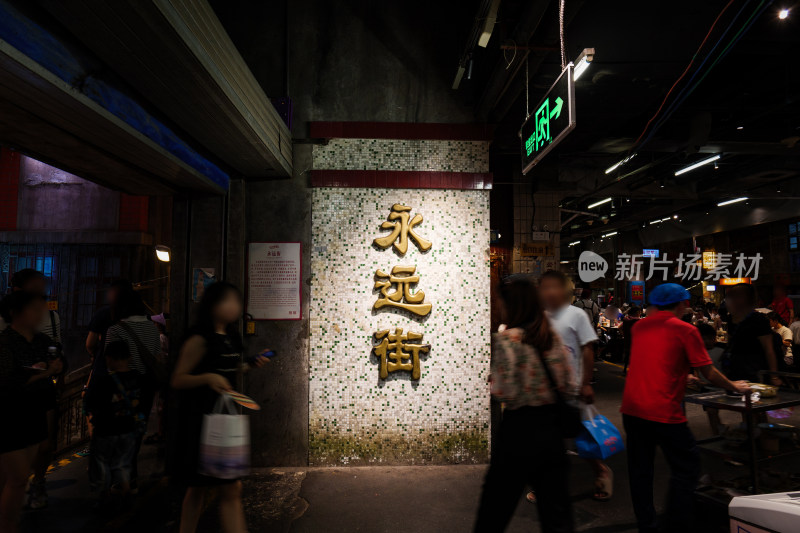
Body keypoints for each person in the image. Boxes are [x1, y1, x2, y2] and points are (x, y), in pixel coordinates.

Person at [622, 283, 751, 533]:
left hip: (632, 409)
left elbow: (654, 363)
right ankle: (676, 523)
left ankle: (647, 525)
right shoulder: (685, 329)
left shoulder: (639, 327)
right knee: (688, 466)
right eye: (686, 302)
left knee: (640, 473)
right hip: (663, 410)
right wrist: (734, 386)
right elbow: (709, 371)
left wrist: (681, 377)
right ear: (681, 304)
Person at [474, 275, 574, 533]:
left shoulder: (507, 340)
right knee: (556, 514)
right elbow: (568, 384)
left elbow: (502, 393)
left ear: (511, 305)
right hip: (551, 432)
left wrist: (495, 379)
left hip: (518, 431)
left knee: (494, 509)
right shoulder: (551, 337)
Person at [171, 282, 270, 533]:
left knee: (206, 488)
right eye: (227, 301)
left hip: (223, 422)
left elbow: (229, 370)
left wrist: (250, 364)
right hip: (200, 422)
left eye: (237, 302)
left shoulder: (230, 337)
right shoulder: (199, 338)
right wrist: (207, 378)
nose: (234, 307)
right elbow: (177, 379)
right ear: (212, 305)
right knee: (217, 488)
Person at [532, 270, 611, 502]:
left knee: (581, 438)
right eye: (544, 287)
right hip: (544, 390)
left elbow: (588, 348)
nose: (549, 292)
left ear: (564, 290)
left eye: (553, 287)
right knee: (545, 440)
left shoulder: (576, 315)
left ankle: (601, 471)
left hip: (572, 388)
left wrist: (586, 383)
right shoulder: (538, 316)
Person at [0, 269, 64, 510]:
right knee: (14, 465)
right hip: (13, 403)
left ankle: (36, 483)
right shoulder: (7, 329)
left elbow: (57, 348)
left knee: (43, 445)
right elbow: (9, 377)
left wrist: (56, 368)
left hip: (42, 394)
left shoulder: (49, 320)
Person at [101, 289, 161, 493]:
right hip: (146, 387)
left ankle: (123, 478)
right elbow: (156, 357)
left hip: (121, 388)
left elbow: (109, 363)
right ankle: (130, 476)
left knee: (118, 433)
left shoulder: (115, 330)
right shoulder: (152, 329)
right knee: (137, 431)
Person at [83, 340, 144, 509]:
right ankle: (126, 494)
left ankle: (105, 499)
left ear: (108, 358)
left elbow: (92, 406)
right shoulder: (138, 378)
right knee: (123, 464)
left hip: (106, 431)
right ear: (130, 357)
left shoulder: (104, 381)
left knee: (102, 465)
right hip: (129, 430)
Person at [723, 283, 781, 386]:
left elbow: (769, 350)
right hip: (734, 370)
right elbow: (730, 343)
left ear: (748, 299)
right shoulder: (730, 318)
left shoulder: (758, 319)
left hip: (753, 370)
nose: (733, 299)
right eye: (732, 296)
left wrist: (774, 376)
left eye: (738, 295)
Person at [86, 279, 133, 362]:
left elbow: (90, 344)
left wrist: (94, 355)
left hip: (105, 365)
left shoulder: (102, 314)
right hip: (132, 367)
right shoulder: (139, 315)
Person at [622, 306, 642, 375]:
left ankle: (625, 369)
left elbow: (619, 328)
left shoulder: (626, 319)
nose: (640, 313)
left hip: (627, 341)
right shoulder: (639, 321)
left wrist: (624, 335)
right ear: (637, 312)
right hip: (636, 342)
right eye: (640, 312)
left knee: (627, 355)